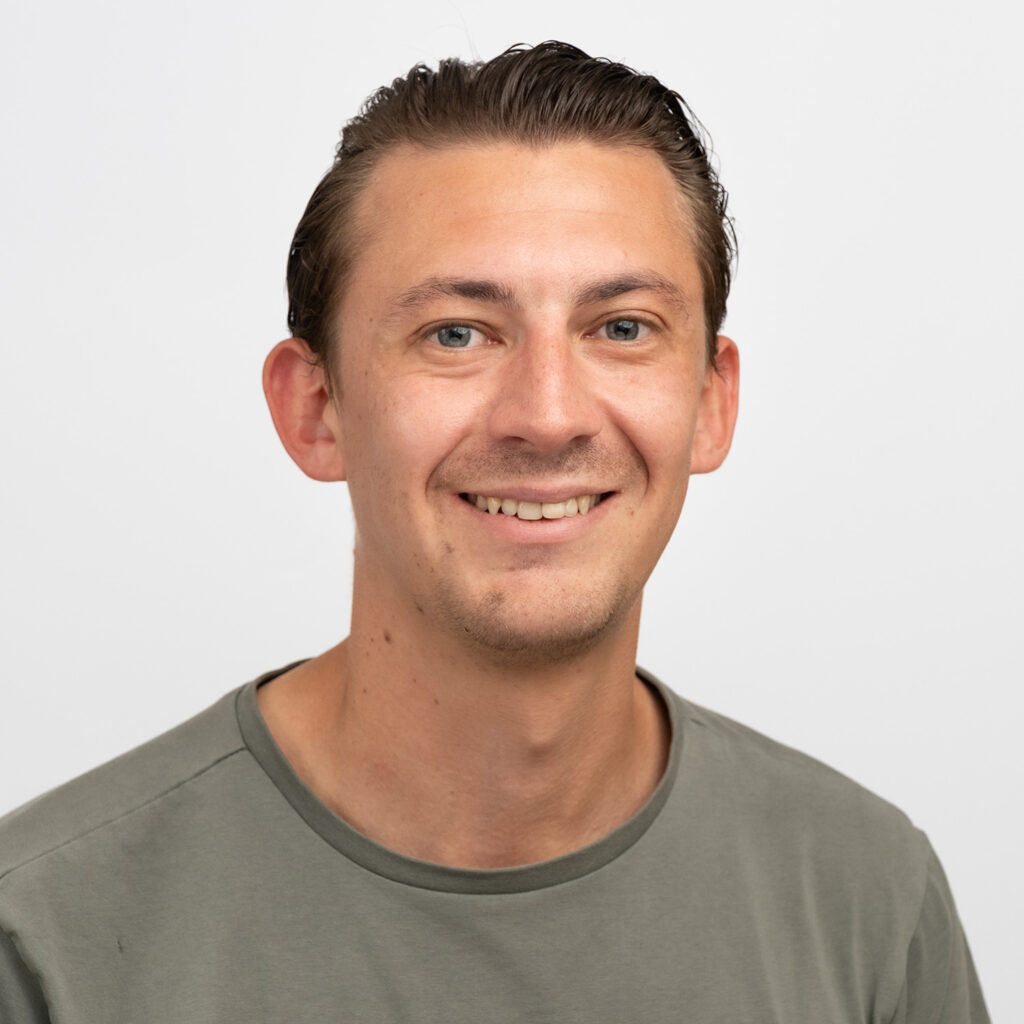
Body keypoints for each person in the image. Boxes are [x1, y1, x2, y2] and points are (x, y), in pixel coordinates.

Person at [0, 41, 988, 1022]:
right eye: (456, 334)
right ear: (316, 408)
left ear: (710, 403)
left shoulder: (868, 904)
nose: (547, 416)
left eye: (622, 327)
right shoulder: (41, 940)